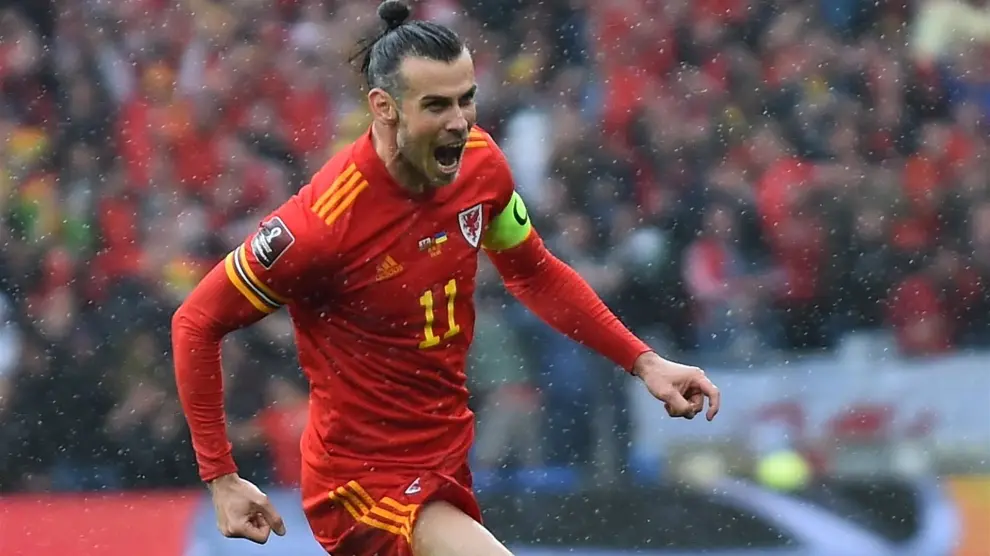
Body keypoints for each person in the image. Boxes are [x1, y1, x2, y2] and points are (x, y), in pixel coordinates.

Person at [170, 2, 721, 555]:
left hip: (447, 459)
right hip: (362, 483)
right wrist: (221, 475)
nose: (459, 121)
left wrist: (644, 362)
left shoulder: (481, 166)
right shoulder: (321, 225)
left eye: (466, 99)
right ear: (384, 107)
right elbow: (196, 321)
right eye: (436, 105)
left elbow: (535, 274)